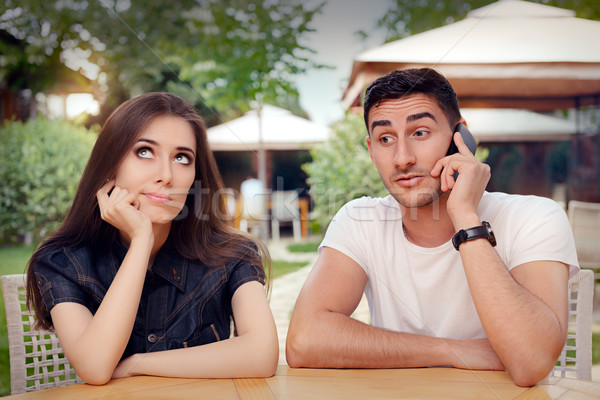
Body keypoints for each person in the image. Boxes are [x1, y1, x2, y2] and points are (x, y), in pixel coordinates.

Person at [286, 68, 579, 387]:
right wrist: (454, 352)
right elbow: (304, 340)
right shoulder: (359, 220)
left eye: (420, 132)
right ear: (372, 151)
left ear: (460, 138)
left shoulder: (535, 217)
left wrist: (465, 216)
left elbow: (531, 361)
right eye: (386, 139)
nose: (402, 159)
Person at [26, 93, 278, 385]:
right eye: (144, 151)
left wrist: (139, 363)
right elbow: (94, 367)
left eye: (182, 158)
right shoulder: (61, 261)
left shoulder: (234, 254)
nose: (166, 175)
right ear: (111, 164)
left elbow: (262, 353)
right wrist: (141, 240)